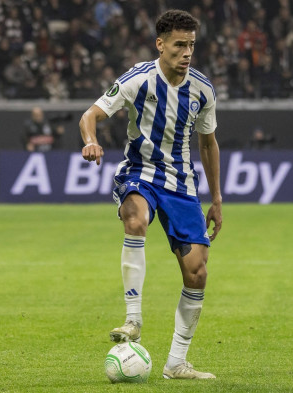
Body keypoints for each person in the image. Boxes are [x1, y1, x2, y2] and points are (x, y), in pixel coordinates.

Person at [79, 10, 222, 380]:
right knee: (135, 218)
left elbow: (208, 144)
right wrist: (91, 141)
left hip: (181, 184)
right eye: (179, 45)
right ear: (160, 45)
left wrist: (217, 199)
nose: (187, 52)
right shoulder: (137, 80)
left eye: (191, 45)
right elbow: (89, 115)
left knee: (197, 273)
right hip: (140, 174)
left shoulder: (202, 89)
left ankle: (176, 363)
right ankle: (133, 319)